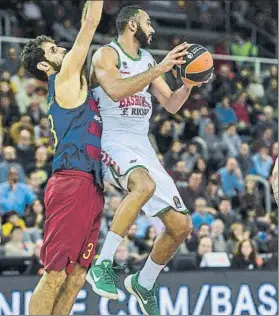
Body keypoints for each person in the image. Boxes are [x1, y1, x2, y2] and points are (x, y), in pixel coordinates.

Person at [87, 5, 210, 314]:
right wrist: (160, 68)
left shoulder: (147, 59)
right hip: (112, 140)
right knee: (142, 185)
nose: (152, 28)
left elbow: (170, 104)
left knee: (181, 225)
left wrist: (187, 85)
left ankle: (144, 281)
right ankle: (102, 264)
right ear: (131, 25)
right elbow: (114, 90)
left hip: (142, 145)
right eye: (148, 22)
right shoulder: (106, 55)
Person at [20, 1, 104, 315]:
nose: (62, 49)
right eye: (54, 49)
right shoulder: (66, 77)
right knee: (55, 273)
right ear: (44, 66)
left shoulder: (77, 81)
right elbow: (91, 22)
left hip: (91, 184)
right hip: (71, 182)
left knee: (78, 274)